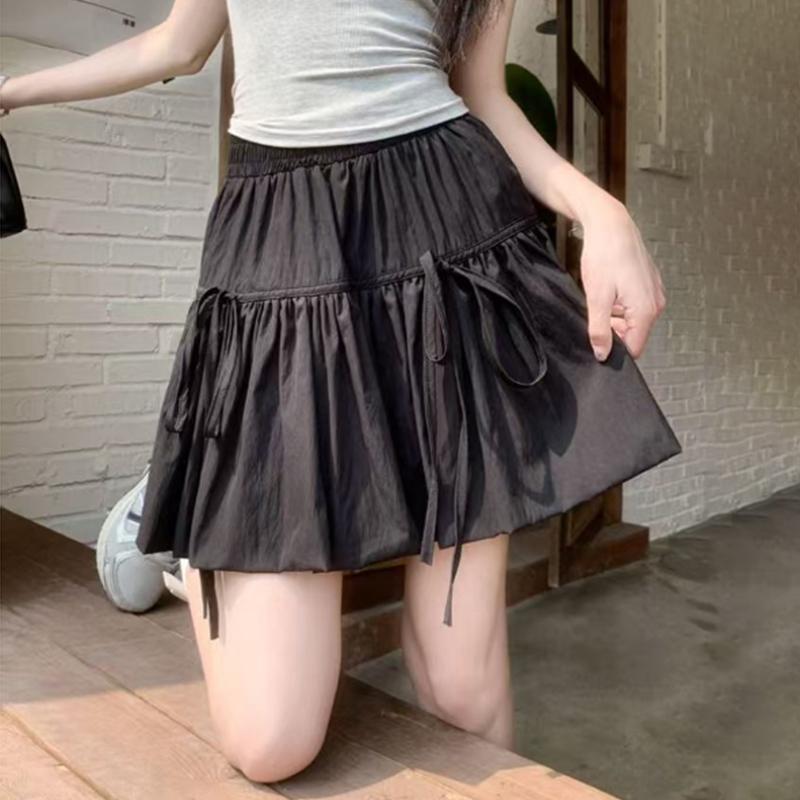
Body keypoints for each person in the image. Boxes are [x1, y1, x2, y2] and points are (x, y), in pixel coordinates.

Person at [0, 0, 682, 783]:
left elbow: (483, 95)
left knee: (462, 693)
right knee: (270, 745)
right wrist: (11, 91)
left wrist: (604, 213)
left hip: (443, 237)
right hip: (280, 233)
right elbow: (177, 45)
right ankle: (198, 523)